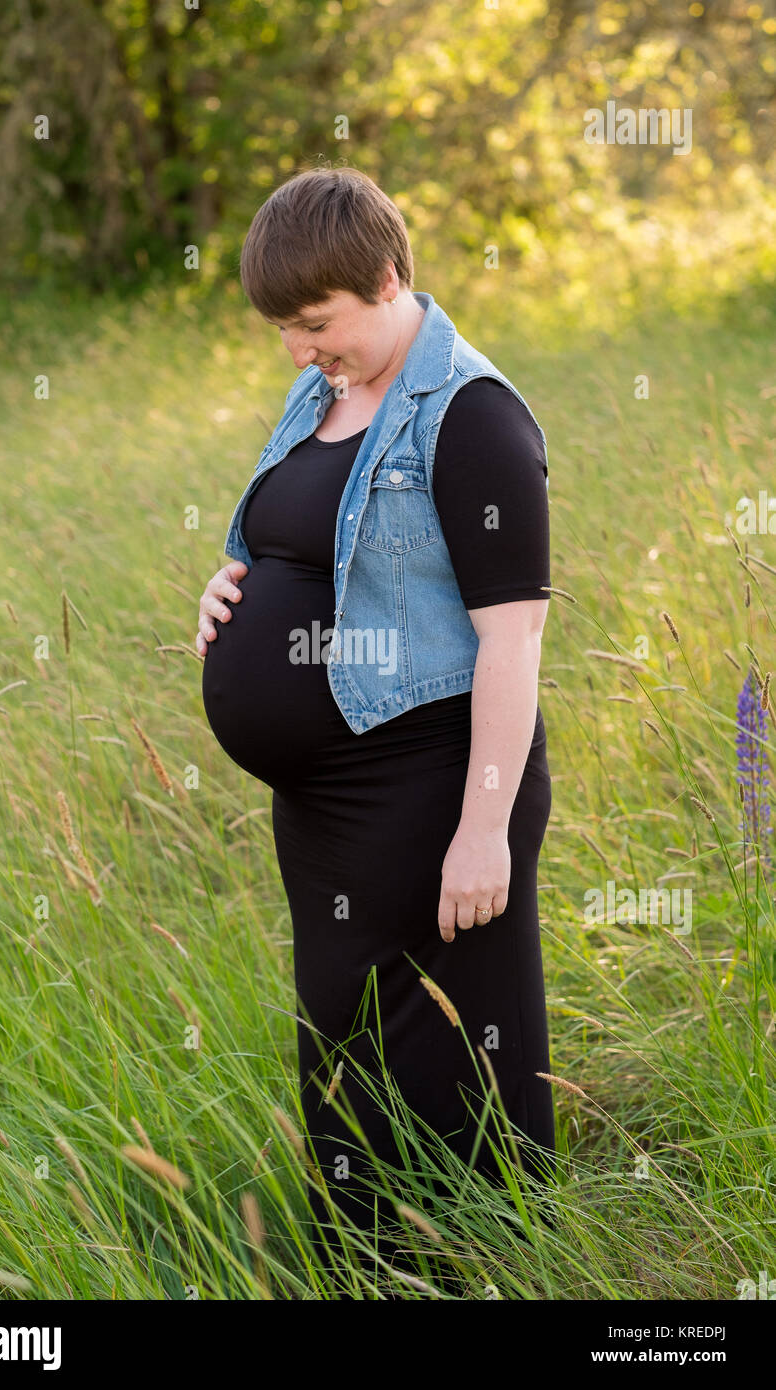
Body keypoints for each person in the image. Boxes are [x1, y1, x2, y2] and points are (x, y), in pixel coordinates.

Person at [196, 166, 556, 1285]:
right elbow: (298, 536)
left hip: (431, 784)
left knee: (449, 1049)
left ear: (388, 278)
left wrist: (481, 829)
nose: (299, 352)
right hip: (327, 805)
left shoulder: (472, 415)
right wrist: (227, 579)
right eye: (284, 332)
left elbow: (512, 638)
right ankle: (363, 1265)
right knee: (340, 1032)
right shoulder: (324, 392)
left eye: (315, 324)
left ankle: (477, 1270)